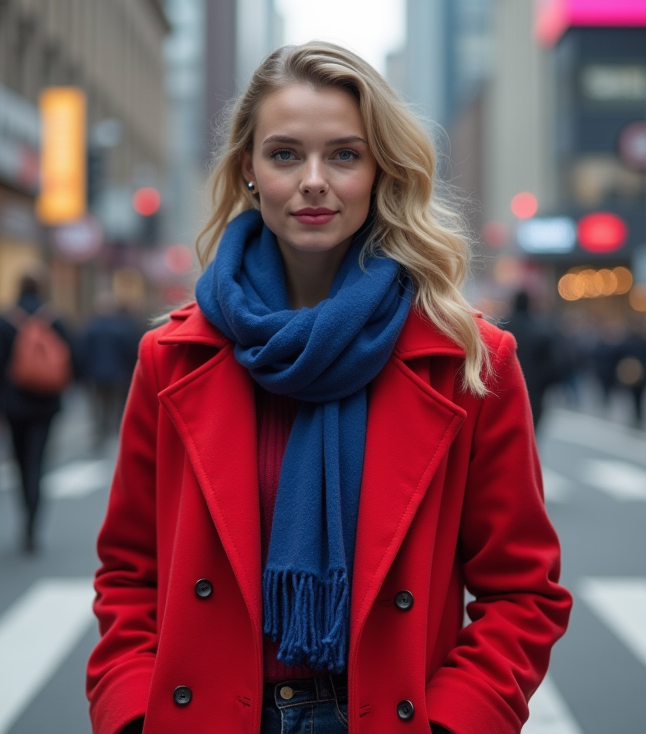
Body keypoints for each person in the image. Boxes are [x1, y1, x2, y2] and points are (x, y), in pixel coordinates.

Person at [86, 42, 571, 734]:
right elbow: (129, 575)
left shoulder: (468, 359)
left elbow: (523, 591)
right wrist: (133, 714)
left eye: (344, 155)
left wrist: (455, 723)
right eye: (285, 154)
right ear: (248, 171)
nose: (314, 180)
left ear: (381, 172)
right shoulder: (172, 357)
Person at [0, 268, 75, 553]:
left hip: (14, 404)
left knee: (20, 463)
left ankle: (25, 516)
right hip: (46, 403)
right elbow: (73, 359)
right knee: (38, 462)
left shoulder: (4, 321)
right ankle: (34, 522)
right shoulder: (55, 319)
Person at [80, 291, 142, 447]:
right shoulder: (121, 327)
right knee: (115, 405)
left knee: (98, 405)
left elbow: (83, 352)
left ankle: (100, 433)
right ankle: (115, 433)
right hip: (117, 374)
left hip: (95, 374)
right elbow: (130, 351)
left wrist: (83, 375)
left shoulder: (91, 327)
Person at [499, 290, 565, 427]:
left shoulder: (500, 329)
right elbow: (556, 368)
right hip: (533, 394)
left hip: (503, 394)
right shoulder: (542, 330)